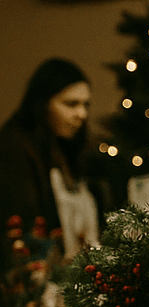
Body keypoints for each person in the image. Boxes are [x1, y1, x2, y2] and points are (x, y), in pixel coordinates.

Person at [0, 59, 100, 256]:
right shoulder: (15, 148)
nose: (81, 114)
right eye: (71, 104)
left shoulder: (66, 145)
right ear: (43, 103)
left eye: (85, 105)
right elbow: (25, 231)